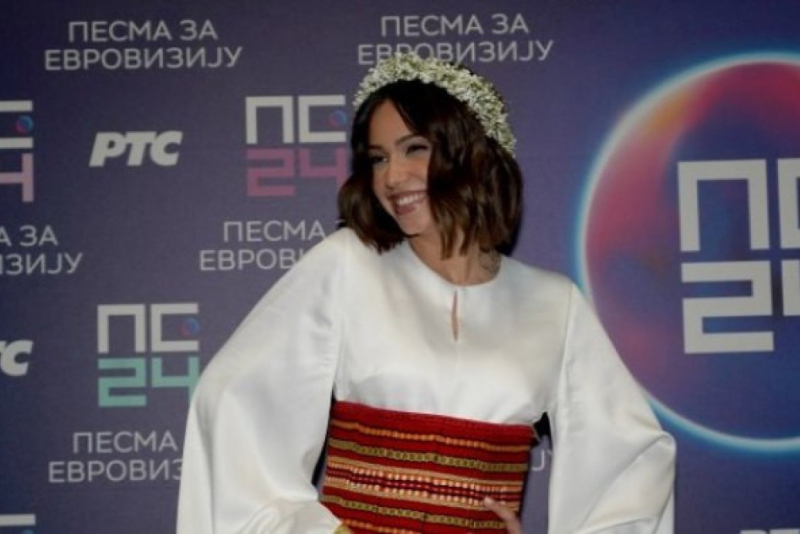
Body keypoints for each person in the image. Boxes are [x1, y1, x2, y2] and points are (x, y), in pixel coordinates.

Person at [176, 52, 676, 534]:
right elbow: (236, 408)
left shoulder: (554, 304)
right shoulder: (347, 265)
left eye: (414, 148)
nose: (392, 177)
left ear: (472, 152)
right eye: (378, 158)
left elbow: (630, 465)